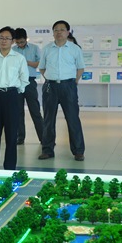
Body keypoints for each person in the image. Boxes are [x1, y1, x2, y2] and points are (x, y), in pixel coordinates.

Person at [38, 20, 86, 161]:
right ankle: (47, 150)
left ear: (68, 32)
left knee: (73, 119)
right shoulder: (47, 49)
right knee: (48, 119)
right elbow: (42, 67)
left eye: (62, 29)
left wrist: (74, 82)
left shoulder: (75, 49)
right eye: (56, 30)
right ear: (53, 33)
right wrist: (50, 78)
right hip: (50, 87)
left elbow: (80, 68)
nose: (59, 32)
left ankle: (78, 151)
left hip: (68, 86)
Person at [0, 27, 29, 170]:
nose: (3, 41)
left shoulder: (19, 58)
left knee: (11, 134)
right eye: (1, 38)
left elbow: (24, 78)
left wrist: (15, 91)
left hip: (12, 96)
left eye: (7, 38)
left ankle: (9, 167)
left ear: (13, 41)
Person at [12, 28, 44, 144]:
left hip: (30, 82)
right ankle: (20, 137)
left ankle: (43, 138)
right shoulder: (13, 50)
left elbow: (41, 63)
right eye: (17, 42)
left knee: (35, 111)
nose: (20, 44)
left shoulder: (34, 48)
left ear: (26, 39)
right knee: (18, 112)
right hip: (16, 82)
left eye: (22, 42)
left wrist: (27, 62)